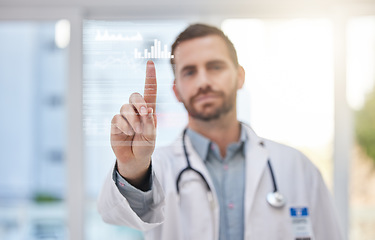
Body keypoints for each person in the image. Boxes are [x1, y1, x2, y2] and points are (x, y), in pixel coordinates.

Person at [97, 23, 343, 240]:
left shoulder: (296, 167)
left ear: (239, 77)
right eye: (190, 71)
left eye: (215, 67)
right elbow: (114, 215)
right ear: (176, 91)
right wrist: (131, 168)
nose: (203, 81)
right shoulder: (155, 168)